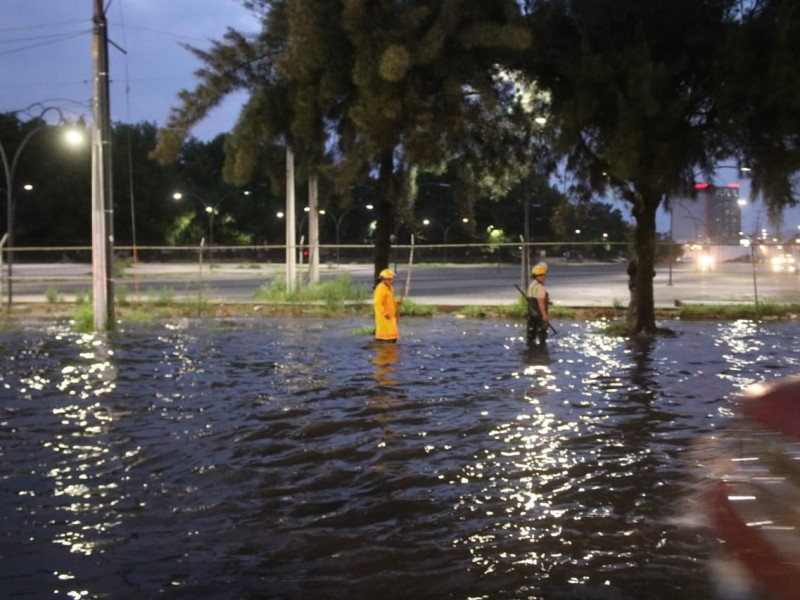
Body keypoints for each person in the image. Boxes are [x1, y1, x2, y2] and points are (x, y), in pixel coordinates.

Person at [373, 268, 401, 342]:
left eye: (391, 279)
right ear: (383, 280)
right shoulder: (380, 289)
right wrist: (384, 313)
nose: (390, 281)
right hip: (384, 316)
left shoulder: (390, 288)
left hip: (391, 315)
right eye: (388, 279)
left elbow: (389, 300)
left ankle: (391, 343)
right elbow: (378, 303)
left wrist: (396, 302)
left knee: (392, 334)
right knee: (385, 334)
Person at [526, 262, 550, 345]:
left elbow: (530, 298)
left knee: (531, 332)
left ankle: (530, 348)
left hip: (531, 313)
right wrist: (544, 316)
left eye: (543, 275)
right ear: (536, 276)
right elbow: (540, 303)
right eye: (541, 275)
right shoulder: (540, 287)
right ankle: (542, 350)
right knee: (542, 331)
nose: (543, 277)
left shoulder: (532, 285)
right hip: (539, 314)